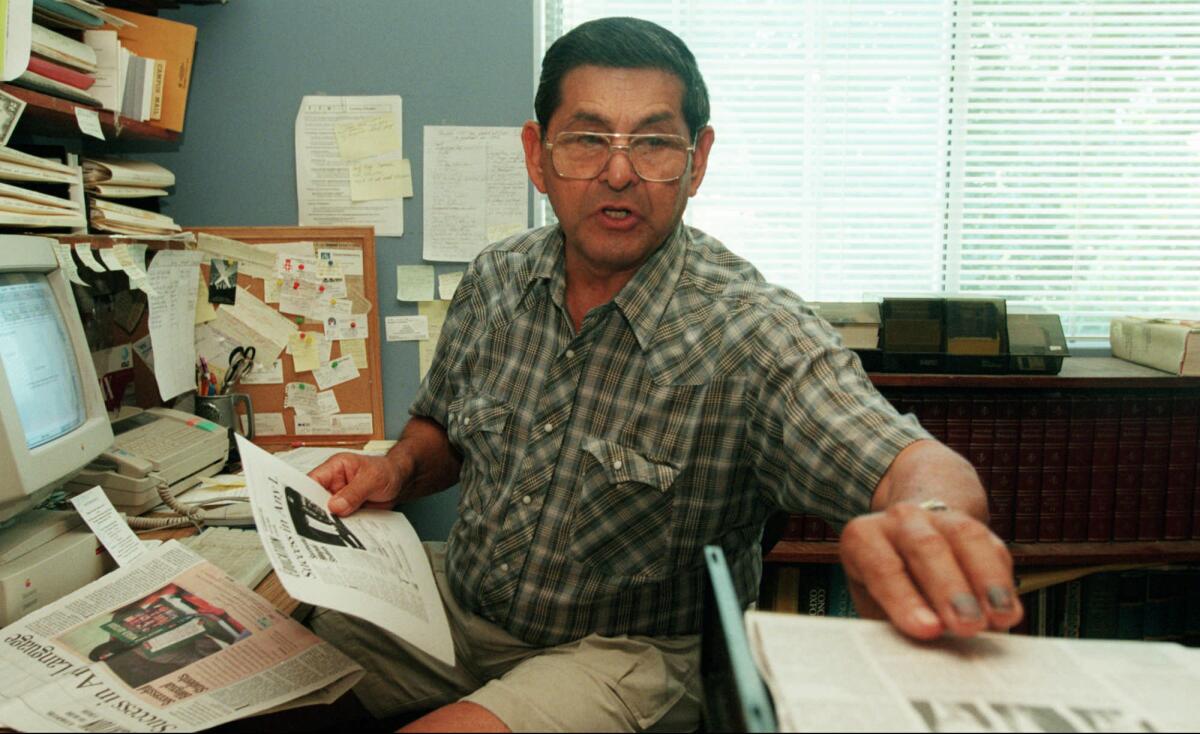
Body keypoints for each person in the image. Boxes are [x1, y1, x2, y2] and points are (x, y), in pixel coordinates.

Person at [308, 16, 1023, 732]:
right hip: (458, 613)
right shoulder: (496, 279)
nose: (618, 173)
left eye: (651, 143)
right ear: (538, 154)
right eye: (588, 140)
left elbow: (904, 461)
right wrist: (396, 469)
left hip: (627, 654)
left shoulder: (751, 333)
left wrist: (929, 523)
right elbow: (448, 432)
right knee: (279, 656)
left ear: (696, 159)